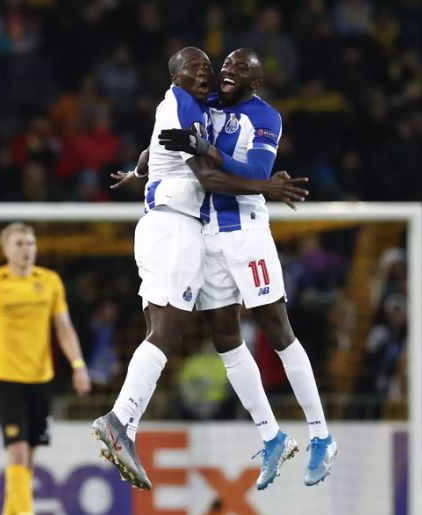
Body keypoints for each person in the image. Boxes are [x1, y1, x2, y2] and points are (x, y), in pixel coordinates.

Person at [91, 46, 309, 491]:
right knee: (167, 330)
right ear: (174, 75)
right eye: (194, 69)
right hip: (174, 225)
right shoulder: (182, 106)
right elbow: (208, 177)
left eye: (208, 69)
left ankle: (131, 430)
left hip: (180, 228)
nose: (205, 74)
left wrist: (137, 170)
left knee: (211, 328)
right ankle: (120, 421)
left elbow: (155, 150)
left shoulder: (192, 107)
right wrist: (264, 185)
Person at [158, 48, 337, 487]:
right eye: (227, 67)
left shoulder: (266, 117)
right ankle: (272, 436)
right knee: (223, 334)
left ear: (255, 83)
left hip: (247, 233)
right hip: (208, 234)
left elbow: (257, 169)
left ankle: (321, 435)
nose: (227, 73)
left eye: (240, 70)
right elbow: (170, 146)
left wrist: (205, 150)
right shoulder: (205, 105)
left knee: (277, 330)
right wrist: (142, 168)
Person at [0, 222, 91, 515]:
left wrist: (78, 366)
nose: (26, 249)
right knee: (16, 448)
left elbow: (64, 327)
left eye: (30, 243)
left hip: (41, 379)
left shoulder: (49, 281)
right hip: (5, 377)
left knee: (28, 456)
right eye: (19, 243)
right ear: (6, 249)